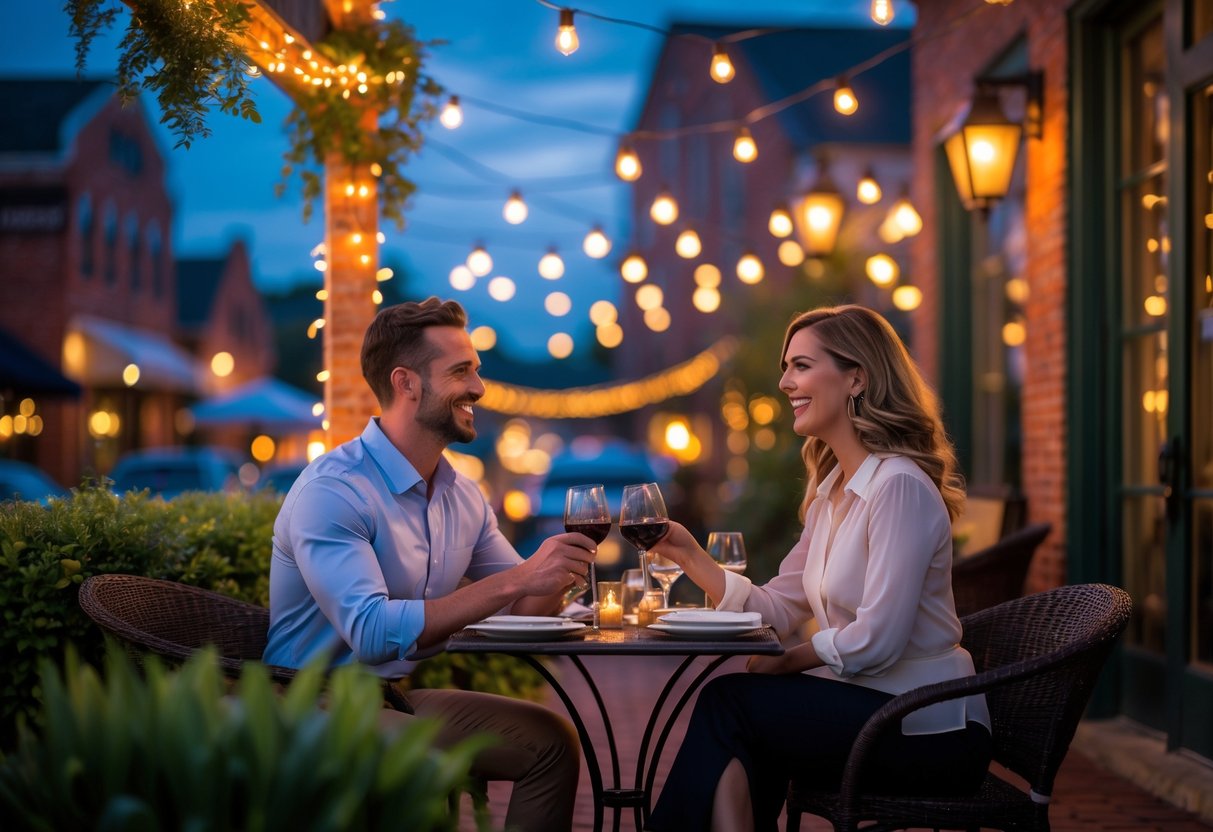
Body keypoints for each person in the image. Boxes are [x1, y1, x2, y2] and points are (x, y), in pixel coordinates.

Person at [645, 305, 993, 832]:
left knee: (732, 705)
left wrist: (789, 663)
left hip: (928, 727)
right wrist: (691, 556)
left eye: (801, 366)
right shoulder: (834, 493)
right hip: (873, 708)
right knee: (740, 720)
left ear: (857, 377)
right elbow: (777, 607)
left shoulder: (897, 486)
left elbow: (878, 639)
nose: (784, 382)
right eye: (786, 367)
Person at [264, 297, 594, 832]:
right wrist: (521, 575)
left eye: (477, 371)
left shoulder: (461, 495)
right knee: (421, 761)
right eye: (461, 372)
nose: (480, 389)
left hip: (392, 698)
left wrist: (561, 571)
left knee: (550, 743)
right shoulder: (335, 491)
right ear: (406, 383)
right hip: (312, 706)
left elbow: (522, 608)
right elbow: (370, 632)